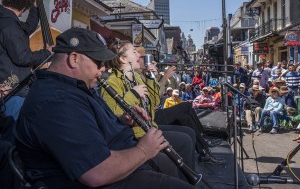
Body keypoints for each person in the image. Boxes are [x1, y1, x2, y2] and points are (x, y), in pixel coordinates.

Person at [14, 28, 195, 189]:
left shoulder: (76, 87)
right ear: (74, 59)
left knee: (171, 160)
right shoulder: (56, 102)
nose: (103, 68)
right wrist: (143, 151)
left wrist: (122, 120)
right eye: (98, 62)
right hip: (107, 178)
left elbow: (89, 126)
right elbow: (96, 173)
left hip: (118, 158)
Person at [100, 41, 197, 177]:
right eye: (134, 51)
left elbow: (155, 102)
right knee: (185, 141)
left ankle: (187, 178)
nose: (138, 54)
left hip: (150, 128)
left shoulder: (138, 77)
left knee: (188, 135)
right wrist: (133, 94)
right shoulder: (112, 82)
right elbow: (112, 114)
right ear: (123, 59)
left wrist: (151, 77)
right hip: (135, 136)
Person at [135, 46, 224, 165]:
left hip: (153, 112)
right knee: (184, 109)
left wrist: (154, 75)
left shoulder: (142, 74)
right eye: (142, 57)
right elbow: (155, 99)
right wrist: (164, 76)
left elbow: (155, 94)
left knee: (186, 108)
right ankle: (204, 146)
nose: (145, 60)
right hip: (151, 116)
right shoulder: (136, 76)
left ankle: (204, 146)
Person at [0, 0, 53, 120]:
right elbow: (22, 57)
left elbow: (27, 28)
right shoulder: (10, 25)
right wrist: (46, 53)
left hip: (9, 89)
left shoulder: (7, 21)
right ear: (23, 7)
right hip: (12, 91)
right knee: (11, 133)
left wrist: (35, 7)